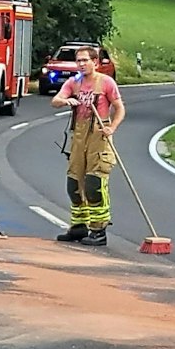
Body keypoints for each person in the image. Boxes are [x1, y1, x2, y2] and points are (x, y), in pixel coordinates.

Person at [50, 46, 124, 247]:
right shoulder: (74, 82)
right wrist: (65, 101)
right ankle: (78, 226)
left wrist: (112, 128)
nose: (81, 64)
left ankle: (98, 230)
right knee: (74, 184)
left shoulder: (106, 82)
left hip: (99, 136)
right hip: (78, 136)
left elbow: (120, 108)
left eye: (85, 60)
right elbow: (55, 101)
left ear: (95, 62)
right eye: (79, 61)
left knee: (94, 184)